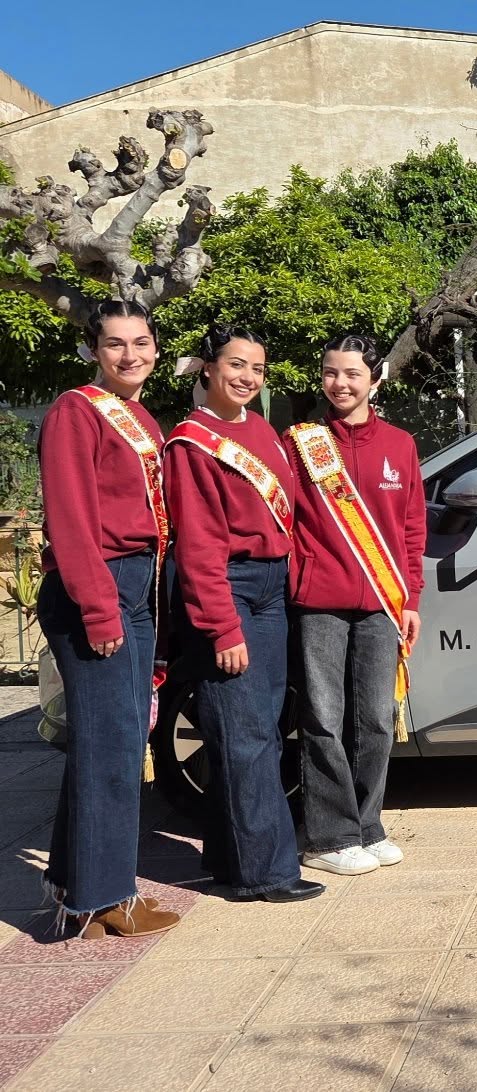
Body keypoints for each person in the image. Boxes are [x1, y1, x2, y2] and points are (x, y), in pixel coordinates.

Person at [35, 300, 182, 938]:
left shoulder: (140, 416)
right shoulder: (77, 410)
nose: (131, 355)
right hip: (95, 584)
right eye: (116, 344)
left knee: (112, 742)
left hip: (135, 582)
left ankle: (78, 889)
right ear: (95, 350)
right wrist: (99, 610)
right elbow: (70, 518)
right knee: (112, 746)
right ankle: (105, 898)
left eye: (142, 342)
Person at [163, 324, 323, 903]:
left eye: (256, 368)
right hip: (229, 587)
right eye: (235, 364)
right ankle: (268, 873)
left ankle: (232, 860)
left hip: (272, 587)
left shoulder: (264, 431)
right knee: (244, 732)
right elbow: (198, 544)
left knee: (257, 725)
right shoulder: (191, 442)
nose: (247, 377)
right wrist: (221, 624)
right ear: (208, 367)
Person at [286, 334, 425, 876]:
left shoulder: (400, 445)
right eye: (329, 373)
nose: (339, 384)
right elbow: (287, 521)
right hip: (319, 601)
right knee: (322, 717)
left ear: (375, 379)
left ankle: (368, 825)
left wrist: (411, 597)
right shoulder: (301, 444)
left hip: (382, 604)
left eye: (351, 374)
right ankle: (328, 836)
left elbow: (412, 529)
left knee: (375, 718)